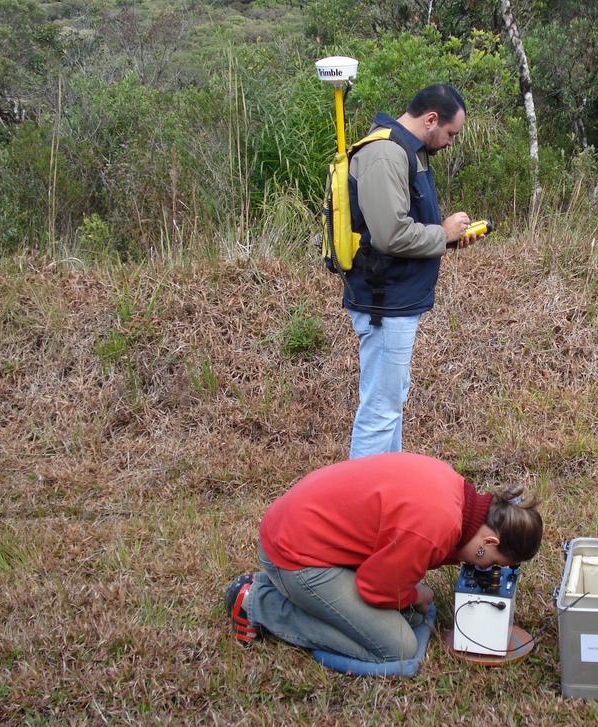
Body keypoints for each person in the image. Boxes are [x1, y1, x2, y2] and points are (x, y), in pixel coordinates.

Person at [223, 452, 543, 663]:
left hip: (299, 532)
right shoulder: (435, 526)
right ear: (490, 540)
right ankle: (259, 602)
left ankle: (284, 591)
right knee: (396, 648)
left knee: (410, 616)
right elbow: (375, 589)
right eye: (496, 563)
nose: (486, 568)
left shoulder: (454, 488)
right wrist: (416, 593)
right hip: (293, 555)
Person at [343, 84, 483, 459]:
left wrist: (448, 240)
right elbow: (390, 235)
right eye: (451, 133)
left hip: (396, 298)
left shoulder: (408, 152)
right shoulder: (386, 154)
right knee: (380, 412)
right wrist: (442, 232)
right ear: (431, 119)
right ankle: (361, 508)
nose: (451, 142)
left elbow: (397, 228)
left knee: (389, 407)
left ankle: (387, 493)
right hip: (384, 300)